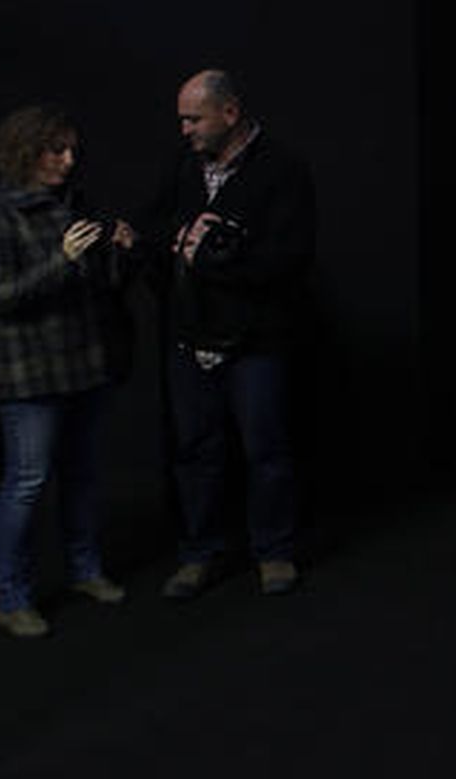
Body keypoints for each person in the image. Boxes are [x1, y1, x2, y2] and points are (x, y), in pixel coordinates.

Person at [0, 104, 137, 638]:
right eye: (56, 150)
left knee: (83, 476)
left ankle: (85, 571)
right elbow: (0, 297)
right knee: (27, 481)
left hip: (83, 365)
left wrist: (119, 254)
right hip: (28, 375)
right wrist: (60, 261)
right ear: (26, 153)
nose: (68, 160)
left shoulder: (74, 205)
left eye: (71, 149)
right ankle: (11, 597)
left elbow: (100, 289)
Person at [158, 68, 315, 599]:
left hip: (255, 343)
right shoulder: (186, 168)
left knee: (265, 450)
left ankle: (273, 551)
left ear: (229, 113)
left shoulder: (283, 170)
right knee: (196, 452)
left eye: (193, 118)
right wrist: (141, 241)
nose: (185, 129)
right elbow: (160, 231)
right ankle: (200, 554)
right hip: (191, 338)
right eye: (181, 119)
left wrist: (214, 259)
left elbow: (289, 261)